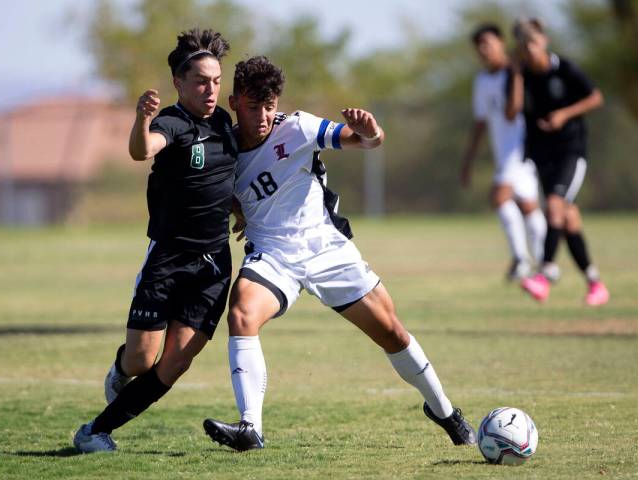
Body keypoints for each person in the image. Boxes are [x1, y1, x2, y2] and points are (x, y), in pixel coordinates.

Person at [202, 56, 475, 451]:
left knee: (393, 332)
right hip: (274, 256)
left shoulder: (298, 128)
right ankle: (250, 428)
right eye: (252, 106)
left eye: (269, 105)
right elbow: (215, 189)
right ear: (233, 102)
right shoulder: (222, 150)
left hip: (327, 250)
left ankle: (445, 411)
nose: (262, 116)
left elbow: (363, 141)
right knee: (242, 312)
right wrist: (237, 207)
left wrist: (372, 132)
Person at [73, 28, 238, 453]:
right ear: (179, 83)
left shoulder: (223, 123)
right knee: (142, 360)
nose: (211, 89)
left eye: (217, 81)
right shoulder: (171, 122)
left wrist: (240, 213)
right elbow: (142, 149)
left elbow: (225, 181)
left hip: (214, 264)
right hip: (169, 257)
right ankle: (120, 366)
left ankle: (95, 431)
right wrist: (141, 120)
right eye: (201, 81)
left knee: (176, 361)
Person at [509, 18, 610, 306]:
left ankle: (545, 274)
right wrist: (516, 75)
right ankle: (595, 284)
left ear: (544, 41)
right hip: (543, 154)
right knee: (567, 219)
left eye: (533, 43)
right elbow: (513, 111)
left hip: (571, 152)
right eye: (523, 45)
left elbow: (596, 98)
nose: (529, 50)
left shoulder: (565, 69)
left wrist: (565, 114)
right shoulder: (523, 76)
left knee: (553, 206)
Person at [460, 23, 547, 280]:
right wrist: (468, 161)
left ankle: (521, 260)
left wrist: (517, 75)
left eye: (488, 43)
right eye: (479, 47)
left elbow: (512, 114)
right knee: (529, 206)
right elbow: (480, 122)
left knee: (500, 198)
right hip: (504, 152)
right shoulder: (482, 80)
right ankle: (545, 262)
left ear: (501, 43)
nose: (484, 50)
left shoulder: (517, 72)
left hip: (522, 149)